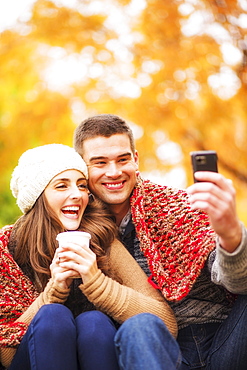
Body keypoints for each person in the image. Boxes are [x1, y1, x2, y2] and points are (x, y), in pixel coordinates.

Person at [74, 113, 247, 370]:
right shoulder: (75, 227)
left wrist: (231, 235)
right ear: (81, 166)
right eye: (100, 162)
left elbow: (237, 281)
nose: (114, 172)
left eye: (123, 159)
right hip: (149, 349)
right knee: (141, 325)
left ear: (136, 159)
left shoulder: (179, 207)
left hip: (224, 342)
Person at [0, 144, 177, 370]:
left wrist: (97, 282)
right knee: (53, 316)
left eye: (82, 185)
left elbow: (166, 324)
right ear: (37, 198)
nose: (77, 194)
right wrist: (52, 294)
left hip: (97, 351)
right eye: (62, 186)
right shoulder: (8, 249)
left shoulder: (101, 238)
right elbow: (5, 355)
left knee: (93, 322)